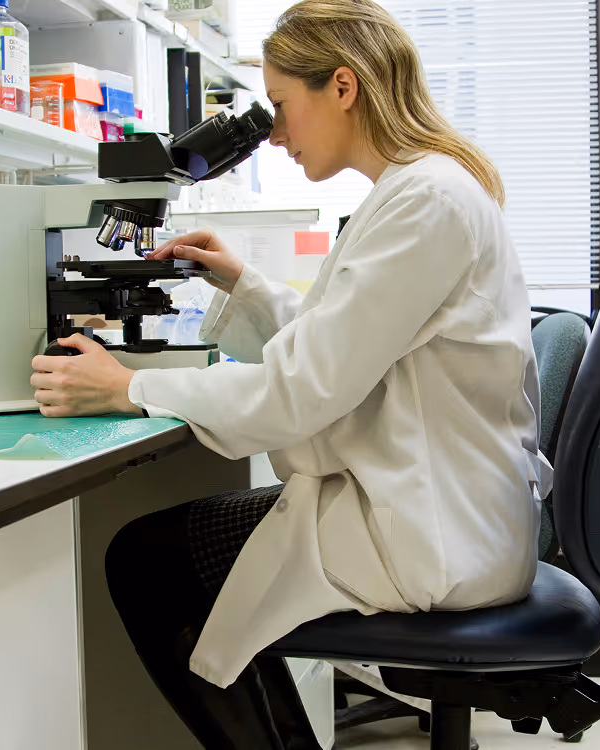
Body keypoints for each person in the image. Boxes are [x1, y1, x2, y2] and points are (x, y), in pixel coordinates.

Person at [29, 0, 553, 746]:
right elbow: (346, 343)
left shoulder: (425, 202)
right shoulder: (417, 191)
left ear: (343, 87)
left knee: (145, 562)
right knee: (196, 573)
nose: (273, 132)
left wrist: (127, 387)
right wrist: (244, 285)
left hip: (431, 528)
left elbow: (301, 389)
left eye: (280, 104)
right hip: (431, 501)